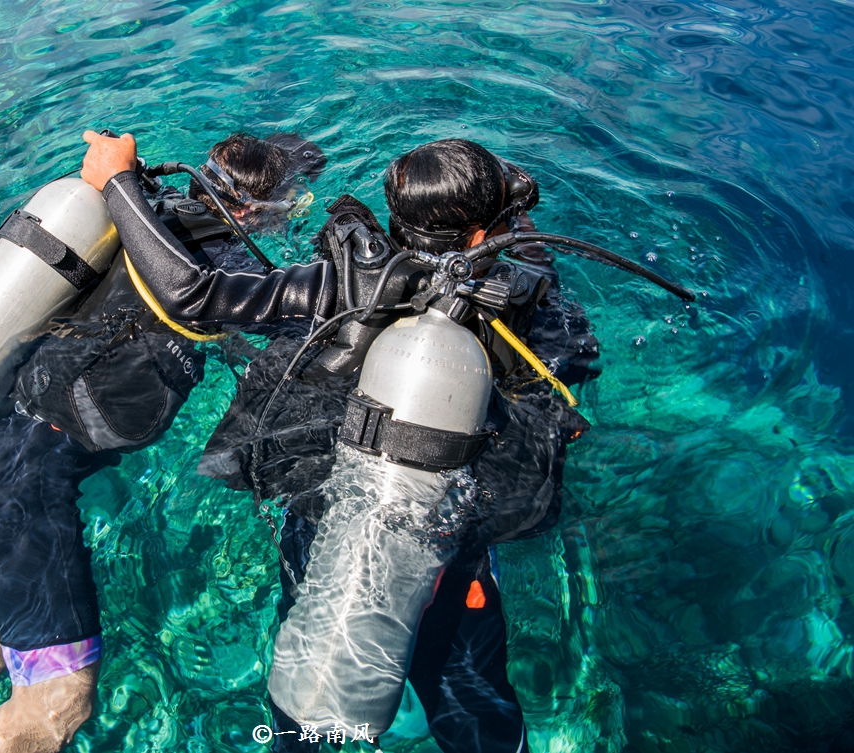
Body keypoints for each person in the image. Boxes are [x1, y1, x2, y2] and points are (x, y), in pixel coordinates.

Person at [0, 131, 326, 753]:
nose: (299, 210)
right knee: (57, 702)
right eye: (296, 199)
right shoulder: (228, 274)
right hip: (21, 484)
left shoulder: (126, 219)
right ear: (253, 211)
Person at [84, 135, 599, 752]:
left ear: (395, 215)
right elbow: (568, 377)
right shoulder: (520, 306)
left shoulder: (341, 285)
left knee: (314, 654)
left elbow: (192, 293)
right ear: (482, 233)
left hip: (322, 506)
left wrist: (119, 182)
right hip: (443, 534)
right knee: (466, 685)